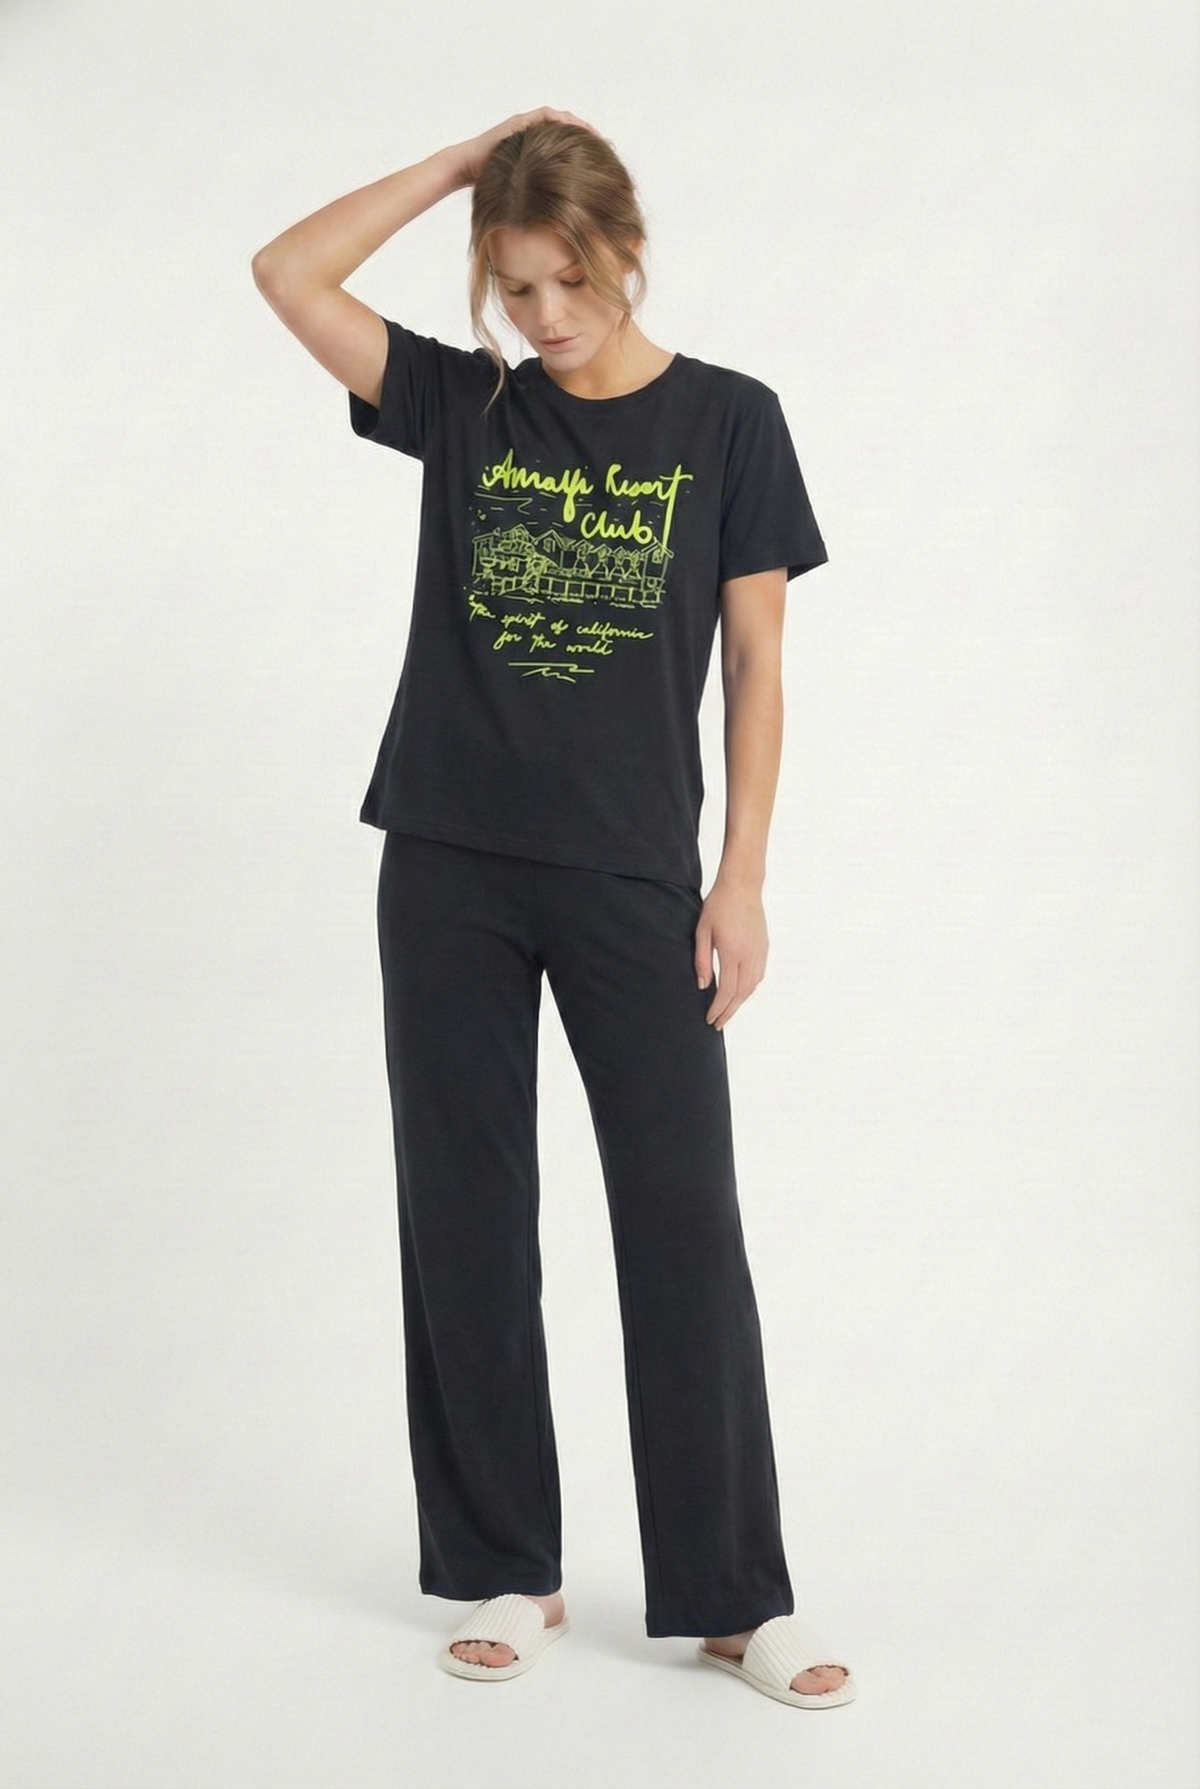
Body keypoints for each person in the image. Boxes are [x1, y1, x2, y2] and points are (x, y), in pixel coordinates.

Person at [251, 108, 857, 1709]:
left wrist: (741, 877)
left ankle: (733, 1595)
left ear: (625, 253)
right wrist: (462, 168)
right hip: (446, 861)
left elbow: (758, 665)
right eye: (517, 287)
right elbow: (286, 272)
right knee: (463, 1216)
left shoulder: (731, 422)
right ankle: (506, 1568)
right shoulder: (467, 407)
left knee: (682, 1218)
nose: (547, 316)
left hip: (634, 875)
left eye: (571, 280)